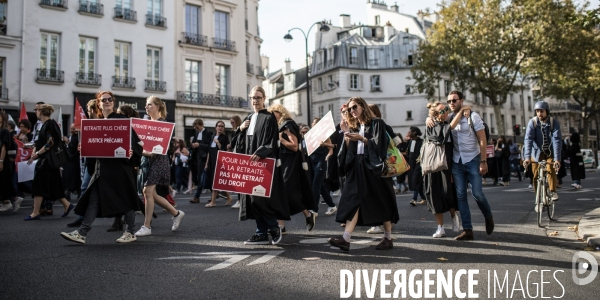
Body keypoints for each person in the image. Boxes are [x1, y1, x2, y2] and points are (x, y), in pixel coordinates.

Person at [60, 92, 143, 244]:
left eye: (109, 99)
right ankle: (82, 233)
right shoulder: (96, 124)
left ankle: (130, 231)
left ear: (113, 102)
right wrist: (84, 147)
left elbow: (134, 142)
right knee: (94, 199)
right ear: (98, 103)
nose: (107, 102)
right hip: (103, 169)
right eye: (103, 100)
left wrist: (131, 152)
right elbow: (97, 145)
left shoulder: (122, 120)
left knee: (128, 198)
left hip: (120, 168)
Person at [328, 97, 399, 251]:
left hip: (373, 167)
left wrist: (363, 139)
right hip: (357, 166)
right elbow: (348, 150)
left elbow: (380, 146)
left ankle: (387, 237)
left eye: (354, 107)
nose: (352, 111)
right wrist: (347, 134)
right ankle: (345, 238)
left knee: (381, 200)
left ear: (362, 106)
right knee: (352, 199)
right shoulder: (354, 126)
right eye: (349, 109)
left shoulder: (377, 123)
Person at [428, 90, 494, 240]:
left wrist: (483, 161)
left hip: (474, 159)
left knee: (477, 193)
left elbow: (482, 140)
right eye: (449, 101)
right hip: (457, 162)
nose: (451, 103)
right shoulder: (450, 118)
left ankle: (488, 216)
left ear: (461, 101)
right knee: (461, 196)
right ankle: (467, 230)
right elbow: (438, 119)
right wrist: (428, 118)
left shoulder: (473, 116)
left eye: (455, 100)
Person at [234, 85, 289, 245]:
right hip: (249, 164)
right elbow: (238, 143)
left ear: (264, 99)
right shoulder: (249, 118)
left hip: (262, 164)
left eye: (258, 98)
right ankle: (261, 233)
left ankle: (273, 227)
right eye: (253, 98)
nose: (255, 101)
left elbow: (270, 141)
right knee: (252, 200)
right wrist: (240, 129)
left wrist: (261, 152)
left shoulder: (269, 117)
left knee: (260, 199)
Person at [135, 96, 185, 237]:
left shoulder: (163, 123)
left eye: (150, 104)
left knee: (147, 191)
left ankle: (147, 226)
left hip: (158, 161)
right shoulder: (146, 123)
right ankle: (176, 213)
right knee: (152, 194)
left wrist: (148, 152)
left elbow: (165, 146)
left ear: (157, 106)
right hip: (147, 160)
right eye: (146, 105)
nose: (147, 107)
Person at [268, 104, 316, 233]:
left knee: (287, 193)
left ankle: (307, 214)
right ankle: (282, 226)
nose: (272, 116)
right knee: (280, 194)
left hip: (291, 164)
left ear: (280, 113)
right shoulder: (279, 127)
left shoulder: (288, 125)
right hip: (282, 163)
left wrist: (281, 140)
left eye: (274, 113)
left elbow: (294, 146)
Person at [25, 104, 74, 220]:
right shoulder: (45, 125)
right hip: (48, 160)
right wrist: (33, 148)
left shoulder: (50, 124)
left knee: (38, 184)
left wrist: (37, 154)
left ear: (41, 112)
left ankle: (35, 212)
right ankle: (67, 205)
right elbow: (42, 142)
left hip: (47, 160)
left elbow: (50, 142)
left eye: (36, 110)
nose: (35, 112)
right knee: (54, 184)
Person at [422, 102, 462, 238]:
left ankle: (454, 216)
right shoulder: (431, 125)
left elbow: (448, 128)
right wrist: (429, 119)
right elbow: (441, 135)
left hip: (447, 165)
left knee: (448, 192)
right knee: (433, 195)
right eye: (442, 110)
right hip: (432, 164)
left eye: (446, 109)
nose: (446, 112)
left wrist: (462, 111)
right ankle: (440, 227)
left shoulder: (447, 123)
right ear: (435, 114)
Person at [67, 99, 100, 228]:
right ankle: (81, 218)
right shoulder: (86, 125)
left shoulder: (103, 124)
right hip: (89, 160)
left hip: (100, 161)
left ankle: (121, 218)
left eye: (89, 109)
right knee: (84, 188)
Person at [523, 100, 562, 206]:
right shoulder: (533, 122)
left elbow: (557, 140)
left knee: (550, 169)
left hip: (550, 152)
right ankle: (538, 198)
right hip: (536, 153)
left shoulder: (554, 123)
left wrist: (557, 159)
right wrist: (527, 157)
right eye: (537, 111)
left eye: (542, 111)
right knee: (535, 175)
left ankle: (553, 191)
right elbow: (528, 140)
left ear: (547, 112)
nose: (539, 114)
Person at [308, 118, 337, 216]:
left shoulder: (324, 136)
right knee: (321, 186)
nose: (314, 124)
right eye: (313, 122)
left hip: (321, 161)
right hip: (312, 161)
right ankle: (332, 206)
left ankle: (314, 210)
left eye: (316, 123)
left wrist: (327, 156)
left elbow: (331, 150)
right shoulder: (310, 135)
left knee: (316, 185)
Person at [204, 120, 233, 207]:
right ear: (216, 127)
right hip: (211, 162)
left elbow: (224, 151)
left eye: (222, 126)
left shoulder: (224, 138)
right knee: (216, 181)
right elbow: (209, 151)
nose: (220, 128)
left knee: (215, 181)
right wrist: (206, 163)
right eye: (219, 126)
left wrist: (218, 143)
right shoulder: (212, 137)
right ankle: (229, 197)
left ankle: (213, 202)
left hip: (219, 161)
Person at [190, 118, 213, 203]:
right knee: (203, 177)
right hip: (198, 158)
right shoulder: (197, 133)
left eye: (197, 127)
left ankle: (197, 196)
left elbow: (209, 146)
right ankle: (214, 193)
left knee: (202, 177)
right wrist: (193, 145)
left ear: (201, 125)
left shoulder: (208, 133)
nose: (196, 129)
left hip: (205, 158)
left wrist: (199, 145)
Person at [0, 111, 19, 213]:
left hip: (3, 160)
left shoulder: (4, 131)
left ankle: (7, 201)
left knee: (3, 181)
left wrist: (1, 161)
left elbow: (4, 148)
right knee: (5, 181)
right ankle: (15, 198)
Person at [406, 126, 425, 206]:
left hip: (419, 163)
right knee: (417, 181)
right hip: (411, 164)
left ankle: (414, 199)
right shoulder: (410, 142)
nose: (408, 133)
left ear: (414, 133)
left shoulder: (421, 141)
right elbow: (409, 153)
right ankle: (424, 198)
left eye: (410, 132)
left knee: (416, 179)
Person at [62, 124, 81, 200]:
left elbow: (74, 148)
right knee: (68, 177)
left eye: (73, 129)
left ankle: (78, 192)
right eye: (71, 129)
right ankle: (67, 192)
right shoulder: (71, 136)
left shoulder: (78, 137)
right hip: (68, 159)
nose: (71, 130)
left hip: (74, 160)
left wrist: (68, 142)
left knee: (75, 177)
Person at [228, 115, 243, 208]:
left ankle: (240, 200)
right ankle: (239, 200)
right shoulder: (234, 131)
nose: (231, 124)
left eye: (233, 122)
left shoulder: (240, 131)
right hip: (235, 155)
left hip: (239, 155)